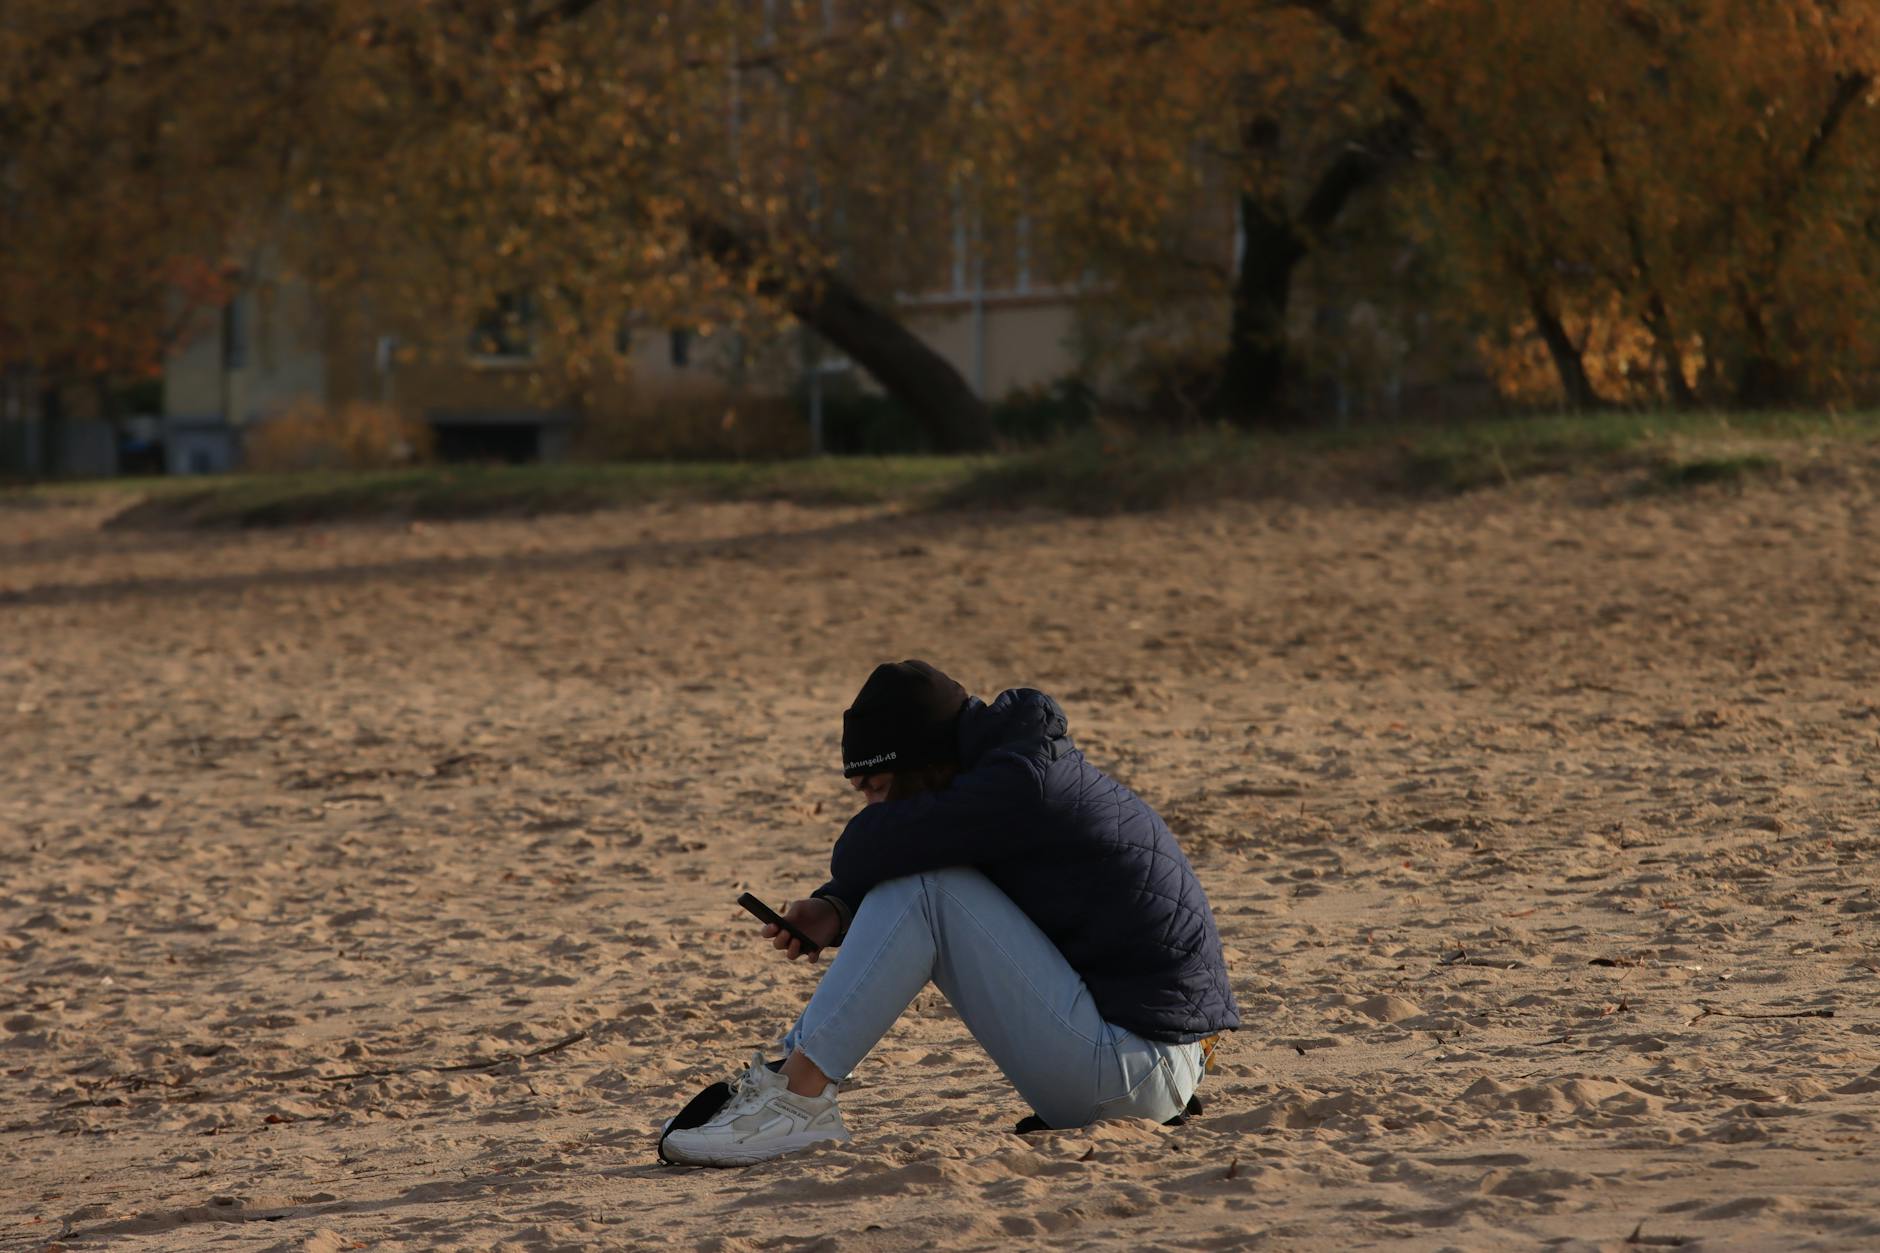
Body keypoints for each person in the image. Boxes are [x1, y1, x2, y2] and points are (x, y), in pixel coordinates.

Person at [659, 660, 1241, 1166]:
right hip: (1138, 1063)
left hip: (1135, 1076)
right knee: (927, 877)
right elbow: (927, 849)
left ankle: (797, 1098)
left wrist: (850, 874)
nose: (870, 803)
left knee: (927, 886)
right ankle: (790, 1084)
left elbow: (871, 847)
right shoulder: (1009, 782)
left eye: (878, 784)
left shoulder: (1022, 788)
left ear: (926, 761)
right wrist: (838, 907)